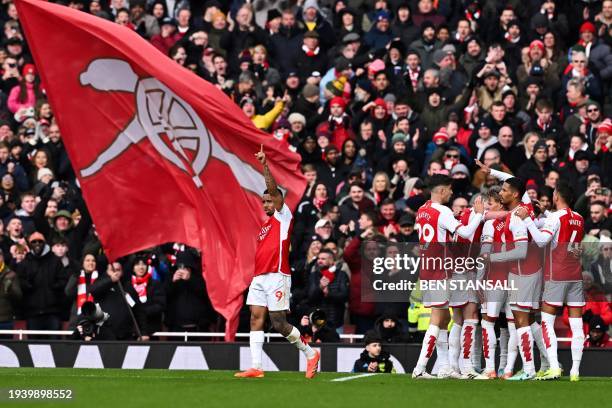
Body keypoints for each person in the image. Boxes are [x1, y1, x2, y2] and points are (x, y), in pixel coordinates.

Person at [236, 145, 319, 379]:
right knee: (255, 317)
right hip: (260, 276)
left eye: (269, 201)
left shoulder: (284, 217)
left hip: (277, 275)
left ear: (277, 201)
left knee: (279, 323)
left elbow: (273, 190)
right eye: (263, 202)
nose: (266, 205)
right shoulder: (265, 226)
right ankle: (256, 367)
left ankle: (310, 353)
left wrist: (264, 164)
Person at [412, 174, 484, 379]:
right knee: (437, 319)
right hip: (440, 270)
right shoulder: (442, 211)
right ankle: (420, 368)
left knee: (443, 318)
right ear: (442, 190)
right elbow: (468, 233)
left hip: (427, 268)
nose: (452, 193)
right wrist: (478, 214)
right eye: (450, 189)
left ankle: (444, 367)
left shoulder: (422, 210)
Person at [515, 181, 585, 381]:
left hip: (557, 275)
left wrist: (528, 220)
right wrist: (544, 213)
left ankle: (554, 366)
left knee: (546, 321)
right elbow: (563, 224)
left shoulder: (555, 217)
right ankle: (575, 372)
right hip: (575, 275)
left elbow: (542, 241)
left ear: (556, 196)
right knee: (577, 324)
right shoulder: (579, 218)